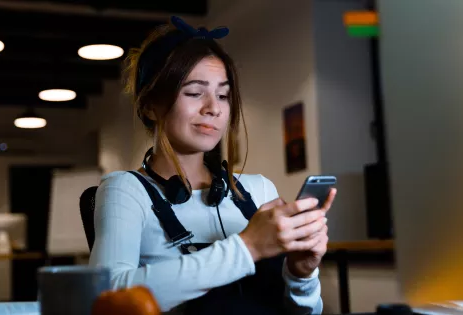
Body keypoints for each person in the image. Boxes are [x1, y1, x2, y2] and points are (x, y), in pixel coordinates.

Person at [89, 16, 337, 315]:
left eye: (223, 95)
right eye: (194, 93)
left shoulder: (258, 189)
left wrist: (301, 274)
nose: (214, 108)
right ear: (149, 106)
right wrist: (248, 247)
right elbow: (105, 299)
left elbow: (305, 311)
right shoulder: (126, 190)